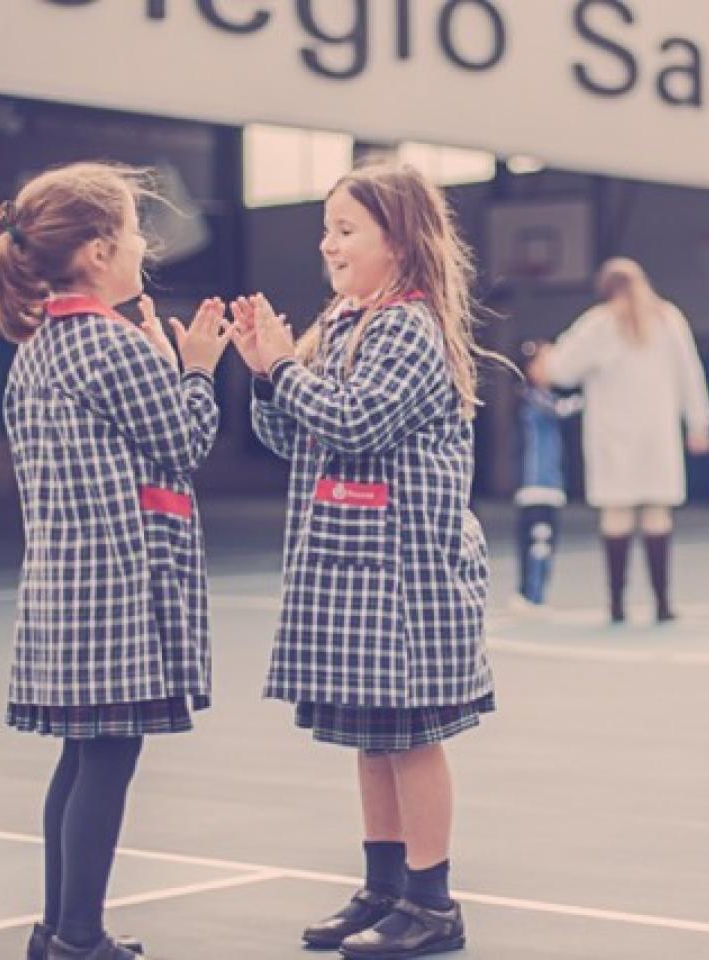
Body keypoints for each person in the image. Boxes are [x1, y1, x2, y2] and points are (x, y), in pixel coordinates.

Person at [231, 161, 497, 959]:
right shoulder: (345, 322)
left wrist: (283, 369)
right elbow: (296, 438)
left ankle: (432, 902)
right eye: (327, 230)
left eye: (347, 230)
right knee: (372, 737)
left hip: (407, 574)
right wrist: (264, 376)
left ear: (401, 240)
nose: (329, 244)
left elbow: (357, 423)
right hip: (354, 573)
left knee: (413, 737)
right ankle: (384, 887)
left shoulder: (409, 328)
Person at [0, 162, 231, 960]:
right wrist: (192, 362)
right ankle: (80, 936)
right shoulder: (108, 344)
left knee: (80, 755)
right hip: (118, 586)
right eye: (131, 233)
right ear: (96, 251)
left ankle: (57, 929)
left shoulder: (37, 349)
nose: (140, 247)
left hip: (64, 585)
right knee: (108, 759)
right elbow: (186, 441)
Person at [536, 258, 709, 624]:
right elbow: (690, 374)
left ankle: (617, 604)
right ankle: (662, 603)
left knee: (616, 514)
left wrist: (545, 358)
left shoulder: (599, 323)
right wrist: (699, 423)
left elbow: (561, 369)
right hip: (658, 433)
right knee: (656, 513)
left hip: (613, 435)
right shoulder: (669, 319)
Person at [512, 341, 583, 608]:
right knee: (537, 543)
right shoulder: (530, 396)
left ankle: (536, 595)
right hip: (536, 487)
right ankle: (530, 596)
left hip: (550, 486)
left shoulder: (544, 396)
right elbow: (562, 410)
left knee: (546, 543)